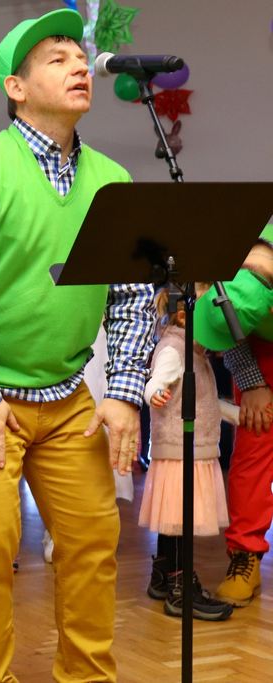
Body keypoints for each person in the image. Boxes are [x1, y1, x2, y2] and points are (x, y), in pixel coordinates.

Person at [0, 9, 155, 681]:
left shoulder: (113, 179)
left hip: (67, 392)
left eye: (80, 56)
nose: (80, 66)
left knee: (93, 541)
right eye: (57, 58)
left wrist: (124, 394)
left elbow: (133, 297)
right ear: (15, 88)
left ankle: (87, 675)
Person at [140, 286, 233, 621]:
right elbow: (155, 381)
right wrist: (154, 392)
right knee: (182, 518)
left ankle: (164, 574)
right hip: (181, 453)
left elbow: (205, 402)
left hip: (190, 451)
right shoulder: (174, 349)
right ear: (185, 315)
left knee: (175, 518)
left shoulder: (195, 353)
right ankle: (181, 588)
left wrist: (237, 415)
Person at [193, 224, 273, 608]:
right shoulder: (235, 241)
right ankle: (245, 554)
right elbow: (228, 325)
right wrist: (253, 383)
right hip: (261, 349)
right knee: (253, 451)